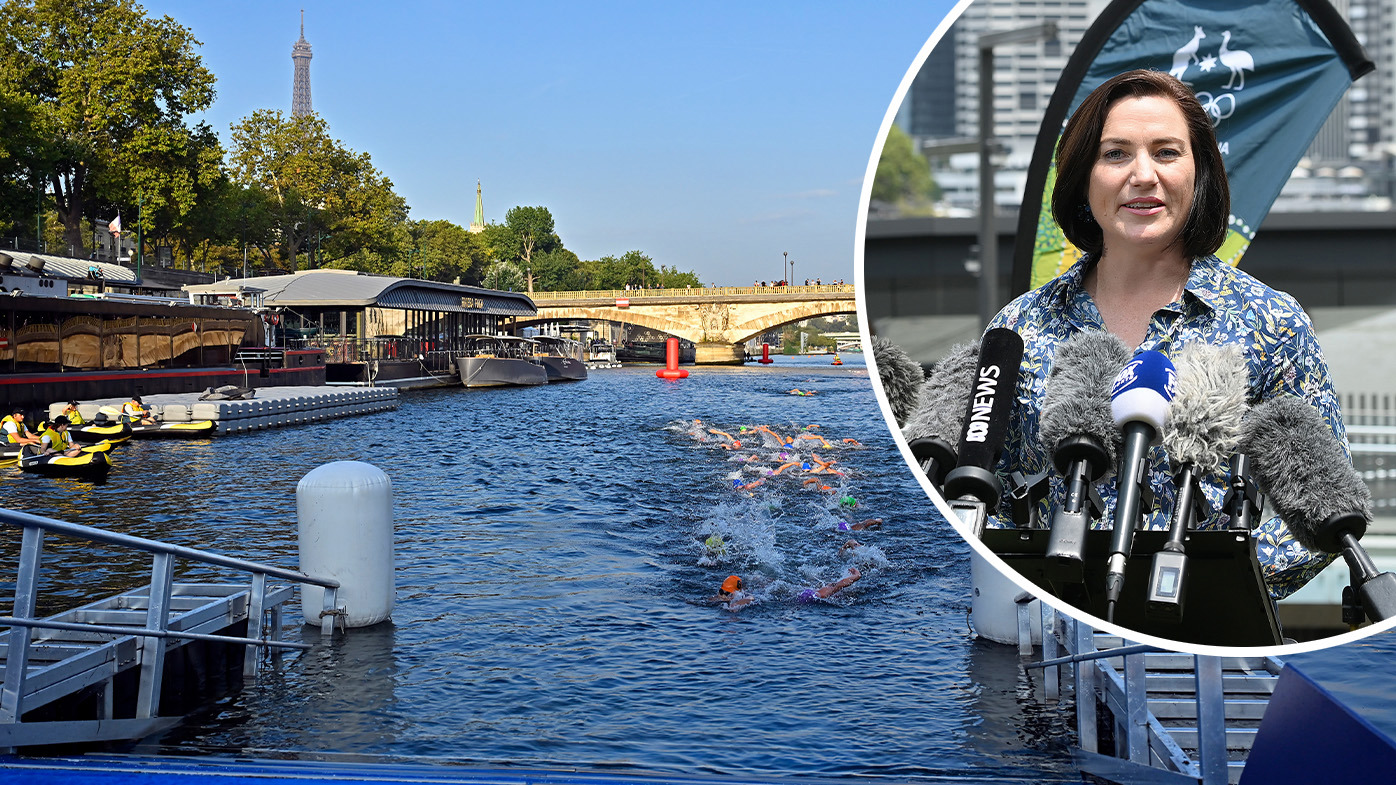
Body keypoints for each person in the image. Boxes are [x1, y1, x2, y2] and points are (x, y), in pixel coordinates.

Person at [985, 69, 1343, 600]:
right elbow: (983, 496)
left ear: (1199, 174)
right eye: (1115, 154)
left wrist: (1199, 586)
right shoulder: (1018, 327)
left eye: (1167, 152)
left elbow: (1319, 508)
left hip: (1206, 642)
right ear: (1082, 176)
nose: (1143, 174)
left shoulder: (1272, 322)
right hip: (1045, 626)